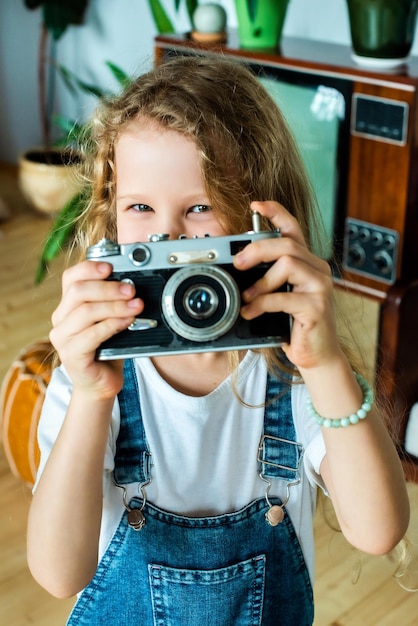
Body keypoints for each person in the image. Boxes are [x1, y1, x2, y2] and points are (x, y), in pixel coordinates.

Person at [27, 56, 409, 625]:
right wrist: (88, 395)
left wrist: (325, 362)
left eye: (201, 206)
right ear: (111, 225)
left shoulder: (295, 370)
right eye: (139, 207)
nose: (170, 236)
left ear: (262, 218)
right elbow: (59, 574)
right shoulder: (93, 384)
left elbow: (379, 531)